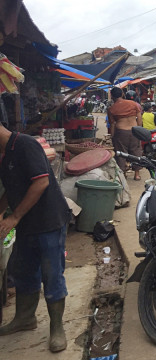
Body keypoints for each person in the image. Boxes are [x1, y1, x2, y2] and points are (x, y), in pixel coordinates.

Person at [0, 121, 71, 353]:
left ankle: (57, 328)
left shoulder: (25, 145)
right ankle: (25, 318)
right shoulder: (5, 154)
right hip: (27, 224)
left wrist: (14, 217)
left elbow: (41, 182)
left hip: (48, 221)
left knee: (52, 275)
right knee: (24, 271)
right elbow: (13, 190)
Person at [107, 87, 143, 181]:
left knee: (121, 154)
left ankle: (123, 174)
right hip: (134, 131)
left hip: (121, 132)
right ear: (122, 94)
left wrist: (112, 136)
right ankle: (137, 174)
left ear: (112, 96)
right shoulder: (133, 104)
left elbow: (112, 124)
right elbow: (139, 117)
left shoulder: (111, 109)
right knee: (136, 152)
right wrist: (139, 130)